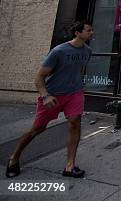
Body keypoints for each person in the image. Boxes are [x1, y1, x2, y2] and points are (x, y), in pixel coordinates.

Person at [5, 21, 93, 179]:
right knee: (37, 129)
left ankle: (70, 166)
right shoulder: (59, 51)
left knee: (75, 123)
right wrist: (45, 95)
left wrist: (79, 84)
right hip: (53, 95)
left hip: (74, 93)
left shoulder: (87, 50)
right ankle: (14, 157)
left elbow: (79, 68)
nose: (91, 33)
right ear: (77, 33)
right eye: (88, 30)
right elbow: (39, 77)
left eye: (91, 30)